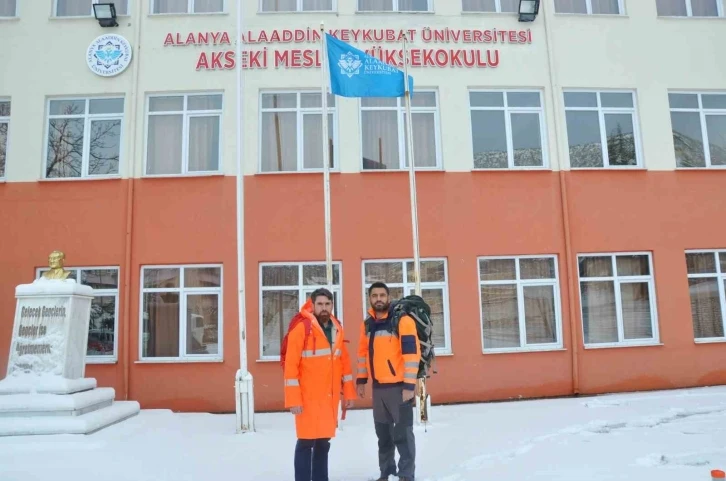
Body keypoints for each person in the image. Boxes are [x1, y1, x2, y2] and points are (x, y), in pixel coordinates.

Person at [284, 288, 356, 481]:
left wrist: (348, 394)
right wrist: (293, 399)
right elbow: (291, 367)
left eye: (327, 304)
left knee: (323, 442)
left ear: (332, 305)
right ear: (312, 305)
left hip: (329, 399)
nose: (324, 308)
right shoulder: (302, 328)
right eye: (320, 304)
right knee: (305, 442)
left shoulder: (337, 328)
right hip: (307, 399)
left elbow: (344, 364)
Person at [357, 282, 421, 481]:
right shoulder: (367, 324)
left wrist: (409, 386)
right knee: (383, 436)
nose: (378, 299)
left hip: (399, 388)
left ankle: (406, 475)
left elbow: (411, 355)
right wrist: (361, 379)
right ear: (369, 298)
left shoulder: (403, 321)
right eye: (374, 295)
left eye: (382, 295)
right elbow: (362, 354)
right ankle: (386, 472)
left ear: (388, 297)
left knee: (403, 435)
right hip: (378, 390)